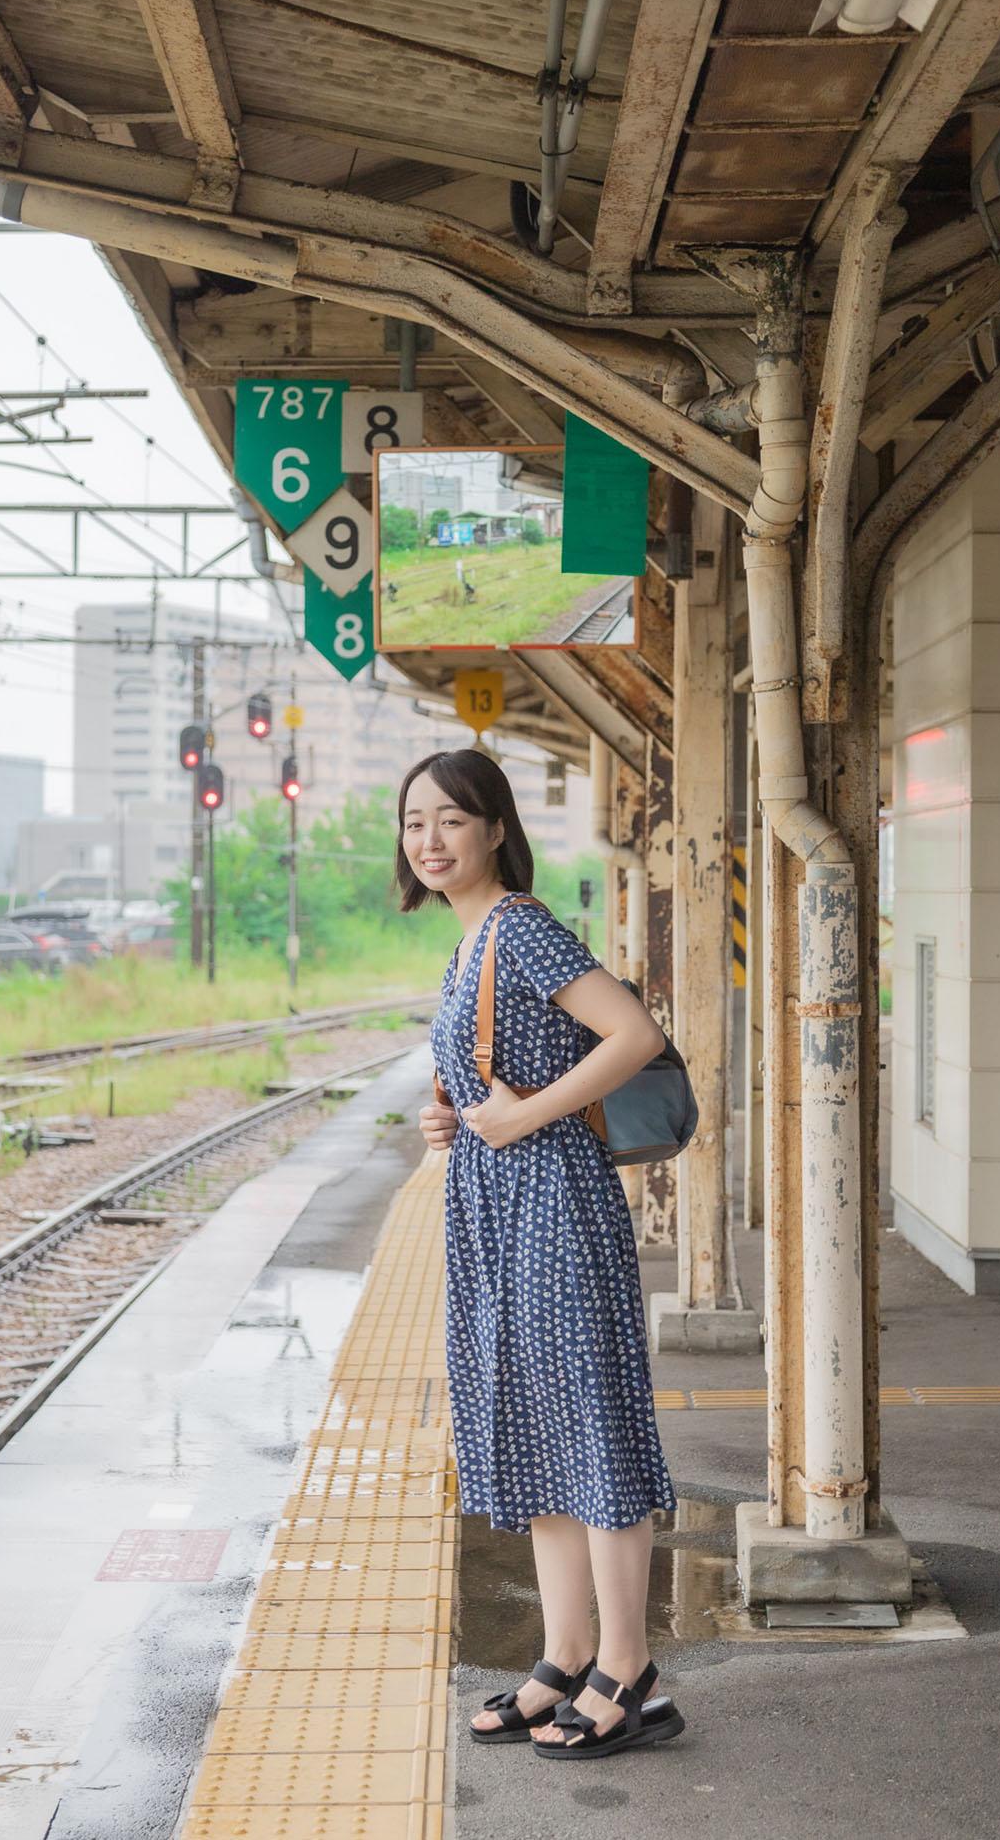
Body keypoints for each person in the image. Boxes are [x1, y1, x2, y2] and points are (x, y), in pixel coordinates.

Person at [396, 747, 685, 1761]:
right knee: (533, 1425)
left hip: (553, 1204)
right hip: (496, 1206)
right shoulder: (472, 940)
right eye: (415, 822)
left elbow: (633, 1034)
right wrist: (462, 1123)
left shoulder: (517, 930)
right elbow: (495, 1084)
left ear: (493, 830)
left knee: (590, 1424)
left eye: (451, 820)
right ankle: (565, 1655)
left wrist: (520, 1122)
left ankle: (630, 1666)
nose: (430, 840)